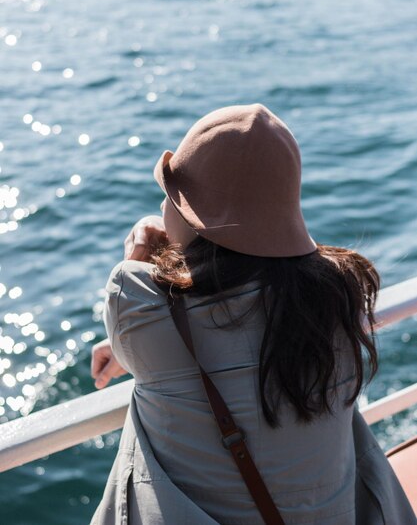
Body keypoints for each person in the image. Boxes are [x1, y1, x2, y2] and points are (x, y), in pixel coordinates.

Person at [90, 104, 417, 525]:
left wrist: (145, 239)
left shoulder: (136, 301)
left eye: (172, 196)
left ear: (194, 219)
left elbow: (135, 281)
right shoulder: (342, 292)